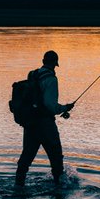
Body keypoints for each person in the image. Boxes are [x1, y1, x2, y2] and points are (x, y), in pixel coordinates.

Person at [15, 50, 74, 186]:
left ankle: (18, 186)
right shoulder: (51, 79)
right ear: (54, 63)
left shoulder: (32, 74)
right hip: (45, 124)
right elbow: (50, 105)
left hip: (30, 123)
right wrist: (65, 108)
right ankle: (59, 191)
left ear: (43, 61)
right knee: (56, 159)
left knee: (26, 158)